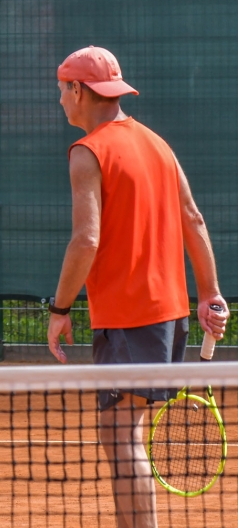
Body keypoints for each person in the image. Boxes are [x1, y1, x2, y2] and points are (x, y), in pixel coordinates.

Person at [47, 45, 228, 527]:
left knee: (121, 436)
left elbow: (85, 241)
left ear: (78, 90)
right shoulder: (157, 144)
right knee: (121, 433)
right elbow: (193, 218)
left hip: (129, 318)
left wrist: (60, 309)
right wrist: (210, 293)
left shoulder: (87, 152)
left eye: (62, 90)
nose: (60, 100)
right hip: (170, 316)